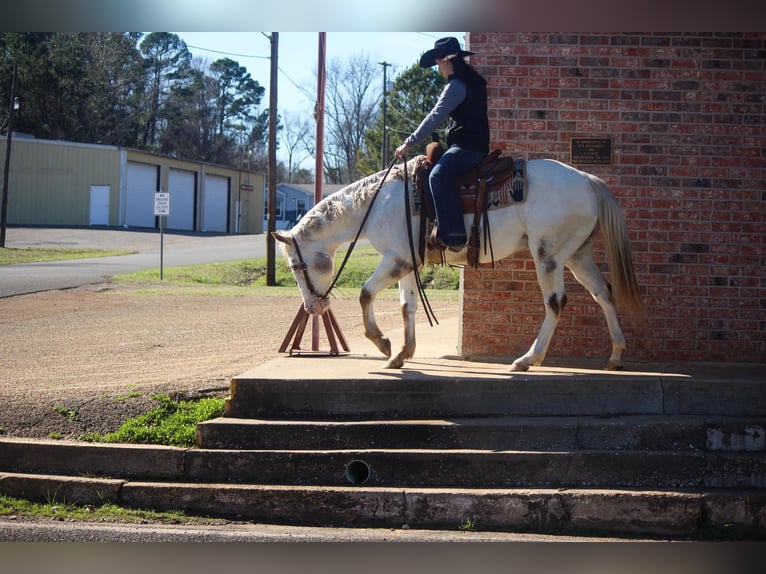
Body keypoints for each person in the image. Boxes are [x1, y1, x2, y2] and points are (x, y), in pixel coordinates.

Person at [395, 36, 490, 252]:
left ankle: (455, 235)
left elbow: (434, 117)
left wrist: (408, 144)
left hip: (467, 147)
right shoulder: (473, 81)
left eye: (438, 63)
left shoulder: (456, 85)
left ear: (446, 60)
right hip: (475, 145)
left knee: (437, 177)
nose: (438, 68)